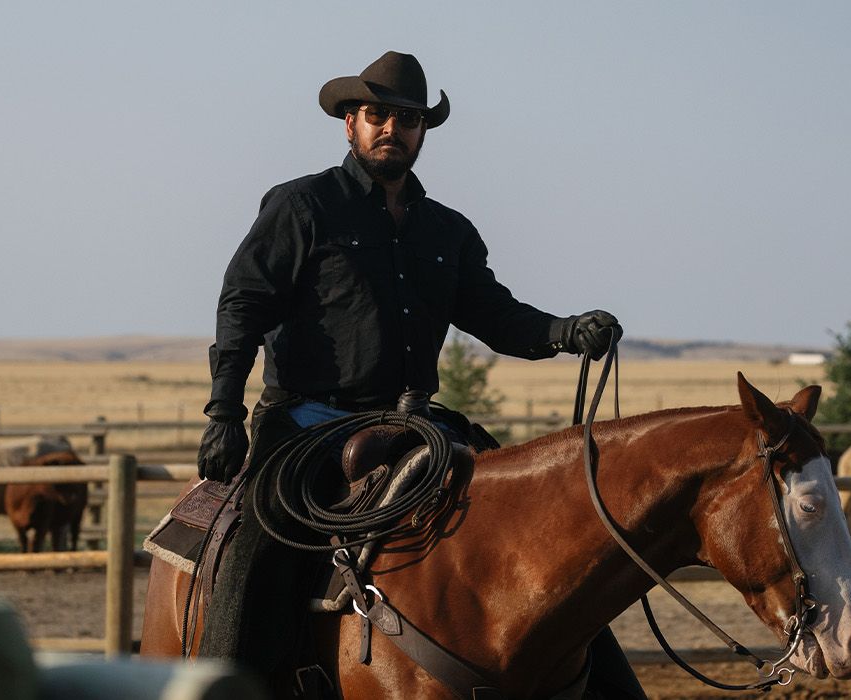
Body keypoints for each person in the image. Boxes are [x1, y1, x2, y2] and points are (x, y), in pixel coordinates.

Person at [196, 50, 639, 697]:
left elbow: (496, 314)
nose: (391, 129)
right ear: (350, 123)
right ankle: (224, 683)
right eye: (377, 115)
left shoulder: (446, 231)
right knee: (262, 544)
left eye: (406, 119)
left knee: (533, 520)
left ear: (422, 131)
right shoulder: (303, 207)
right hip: (307, 421)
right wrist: (223, 414)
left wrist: (565, 331)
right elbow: (243, 307)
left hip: (414, 423)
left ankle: (605, 688)